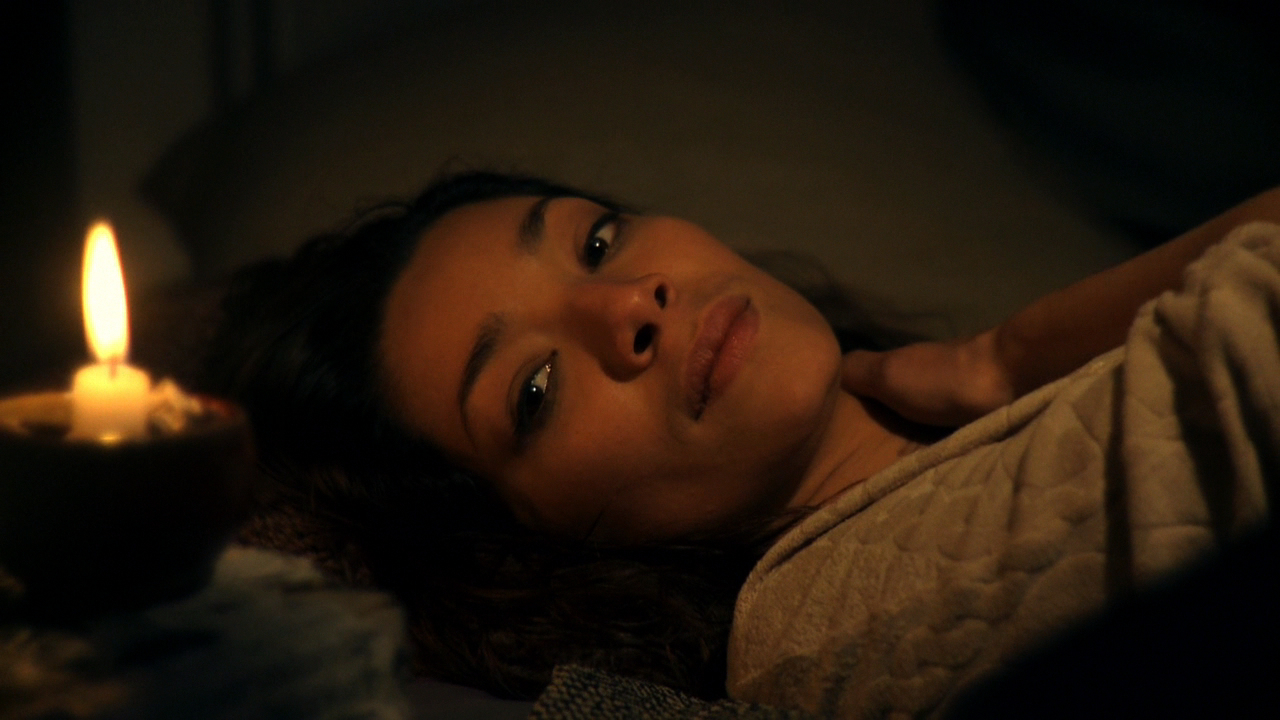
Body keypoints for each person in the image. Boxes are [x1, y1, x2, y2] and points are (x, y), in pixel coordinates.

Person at [205, 171, 1279, 709]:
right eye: (535, 389)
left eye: (595, 241)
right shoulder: (823, 624)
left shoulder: (958, 436)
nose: (630, 302)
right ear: (518, 555)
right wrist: (1015, 351)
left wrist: (1006, 361)